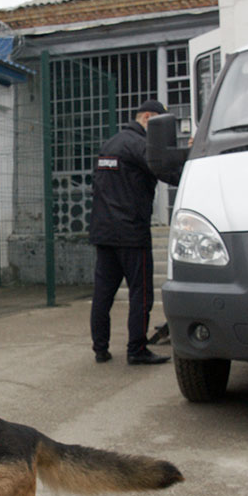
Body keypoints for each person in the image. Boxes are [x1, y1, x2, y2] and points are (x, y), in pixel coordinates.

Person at [89, 99, 174, 366]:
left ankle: (100, 349)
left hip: (104, 231)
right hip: (131, 233)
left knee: (103, 293)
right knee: (141, 293)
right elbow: (166, 172)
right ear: (148, 118)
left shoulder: (109, 145)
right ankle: (136, 350)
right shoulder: (139, 144)